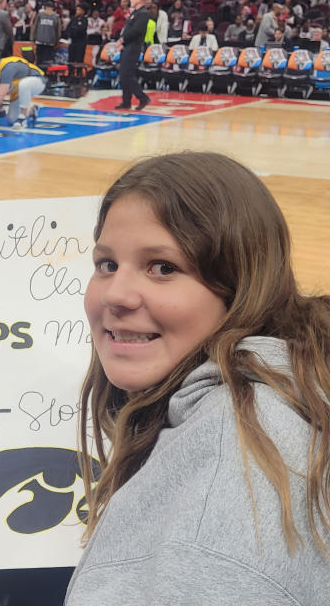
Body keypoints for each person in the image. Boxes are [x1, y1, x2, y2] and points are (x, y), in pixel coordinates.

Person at [67, 151, 330, 605]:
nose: (116, 294)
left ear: (241, 285)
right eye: (106, 264)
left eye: (163, 267)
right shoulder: (274, 393)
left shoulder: (221, 508)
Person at [0, 52, 45, 128]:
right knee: (12, 119)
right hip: (18, 92)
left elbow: (1, 95)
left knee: (24, 84)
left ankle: (22, 116)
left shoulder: (7, 68)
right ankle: (32, 110)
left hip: (37, 81)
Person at [114, 0, 150, 111]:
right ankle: (126, 101)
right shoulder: (135, 12)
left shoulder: (143, 13)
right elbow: (127, 29)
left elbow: (136, 31)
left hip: (133, 47)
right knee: (123, 75)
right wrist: (121, 40)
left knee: (127, 74)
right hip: (127, 46)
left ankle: (143, 97)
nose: (131, 0)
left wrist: (123, 40)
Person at [31, 1, 61, 66]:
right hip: (50, 43)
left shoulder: (40, 15)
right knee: (48, 62)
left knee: (39, 60)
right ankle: (47, 75)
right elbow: (58, 31)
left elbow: (35, 27)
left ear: (45, 7)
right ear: (53, 7)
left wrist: (33, 38)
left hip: (39, 41)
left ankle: (39, 74)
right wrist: (57, 41)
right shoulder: (56, 17)